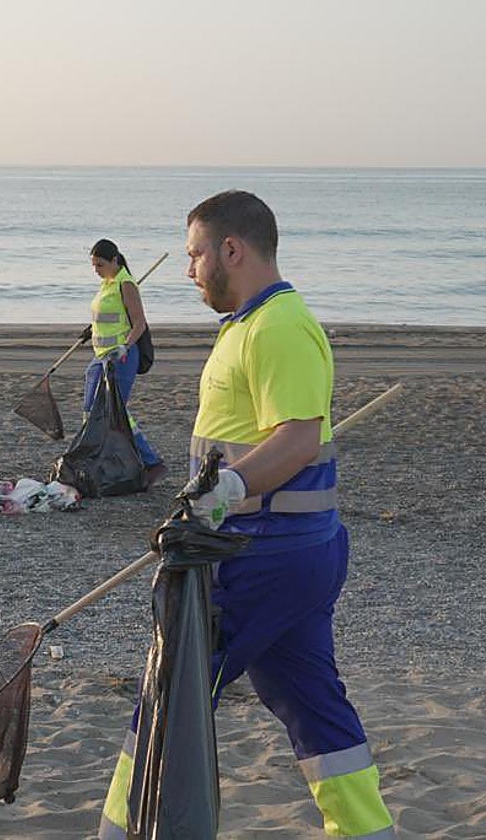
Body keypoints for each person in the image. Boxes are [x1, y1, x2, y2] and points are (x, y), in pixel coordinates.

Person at [96, 192, 394, 838]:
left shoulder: (280, 327)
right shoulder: (248, 324)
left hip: (260, 551)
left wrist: (226, 488)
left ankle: (119, 831)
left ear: (233, 249)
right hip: (292, 552)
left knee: (167, 695)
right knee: (314, 710)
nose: (189, 270)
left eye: (195, 254)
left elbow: (297, 439)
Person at [82, 238, 167, 487]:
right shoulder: (108, 283)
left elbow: (138, 323)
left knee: (116, 411)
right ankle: (103, 457)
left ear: (114, 261)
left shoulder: (126, 284)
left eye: (99, 265)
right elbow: (110, 315)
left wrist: (124, 346)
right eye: (94, 265)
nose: (96, 270)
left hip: (121, 357)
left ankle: (152, 463)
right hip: (101, 357)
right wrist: (91, 329)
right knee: (91, 408)